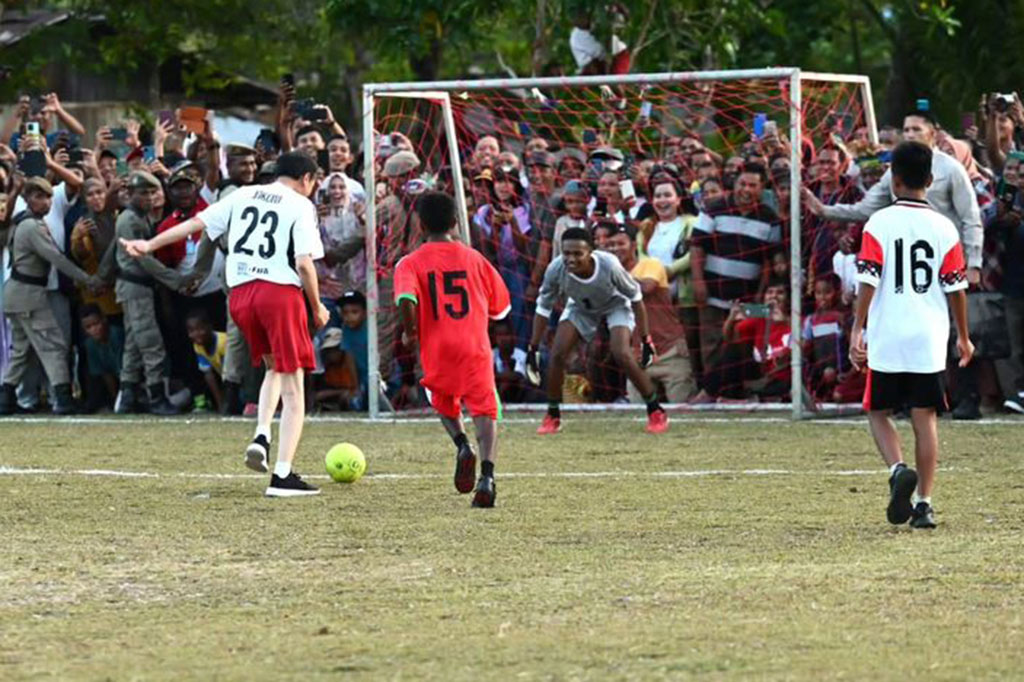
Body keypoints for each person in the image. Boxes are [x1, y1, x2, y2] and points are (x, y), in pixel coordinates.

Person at [121, 152, 330, 497]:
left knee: (273, 368)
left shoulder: (243, 194)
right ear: (306, 178)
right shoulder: (300, 205)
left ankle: (262, 433)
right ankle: (283, 475)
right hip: (278, 294)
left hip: (240, 296)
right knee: (295, 389)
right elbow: (304, 263)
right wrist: (318, 307)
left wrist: (149, 245)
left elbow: (195, 224)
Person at [849, 141, 974, 530]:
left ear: (893, 179)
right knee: (925, 418)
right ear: (931, 180)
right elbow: (957, 288)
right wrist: (963, 337)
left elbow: (868, 280)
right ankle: (924, 504)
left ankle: (898, 469)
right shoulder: (944, 227)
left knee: (877, 411)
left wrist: (858, 327)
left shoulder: (879, 223)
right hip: (929, 336)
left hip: (889, 334)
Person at [394, 191, 511, 508]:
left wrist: (410, 331)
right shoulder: (475, 259)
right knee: (485, 409)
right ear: (456, 222)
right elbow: (501, 309)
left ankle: (461, 445)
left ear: (419, 225)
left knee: (439, 397)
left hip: (437, 346)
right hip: (474, 346)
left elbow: (405, 300)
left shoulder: (410, 263)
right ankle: (487, 476)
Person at [527, 227, 667, 434]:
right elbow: (543, 308)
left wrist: (646, 340)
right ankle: (553, 415)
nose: (571, 259)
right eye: (566, 253)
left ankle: (655, 409)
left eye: (578, 253)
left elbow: (636, 298)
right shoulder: (555, 269)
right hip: (580, 307)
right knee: (557, 354)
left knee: (621, 353)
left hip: (615, 304)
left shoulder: (609, 265)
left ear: (590, 252)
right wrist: (533, 348)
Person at [0, 178, 101, 415]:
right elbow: (56, 258)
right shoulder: (31, 227)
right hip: (29, 295)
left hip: (18, 293)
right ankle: (63, 398)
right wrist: (89, 280)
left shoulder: (22, 223)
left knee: (22, 350)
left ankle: (5, 397)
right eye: (39, 197)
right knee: (54, 346)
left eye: (48, 197)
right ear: (28, 199)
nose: (46, 202)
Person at [114, 171, 182, 416]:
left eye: (153, 192)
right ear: (130, 194)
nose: (149, 197)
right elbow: (144, 260)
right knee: (151, 344)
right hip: (135, 287)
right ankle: (157, 397)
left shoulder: (138, 218)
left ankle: (127, 396)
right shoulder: (130, 220)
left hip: (136, 288)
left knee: (134, 344)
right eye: (143, 192)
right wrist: (175, 280)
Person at [607, 224, 696, 402]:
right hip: (636, 356)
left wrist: (611, 276)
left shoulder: (651, 264)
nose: (615, 249)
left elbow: (645, 288)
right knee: (639, 417)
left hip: (669, 351)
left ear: (634, 245)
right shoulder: (604, 275)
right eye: (610, 245)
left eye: (620, 243)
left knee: (684, 413)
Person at [79, 304, 123, 412]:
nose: (94, 330)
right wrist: (115, 398)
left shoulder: (116, 335)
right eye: (88, 327)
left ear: (104, 320)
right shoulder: (90, 344)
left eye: (96, 324)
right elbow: (105, 374)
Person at [186, 309, 227, 412]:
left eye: (200, 329)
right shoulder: (198, 346)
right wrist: (220, 404)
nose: (196, 334)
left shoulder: (223, 342)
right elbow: (208, 374)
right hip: (224, 377)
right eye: (191, 331)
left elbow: (231, 373)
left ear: (209, 327)